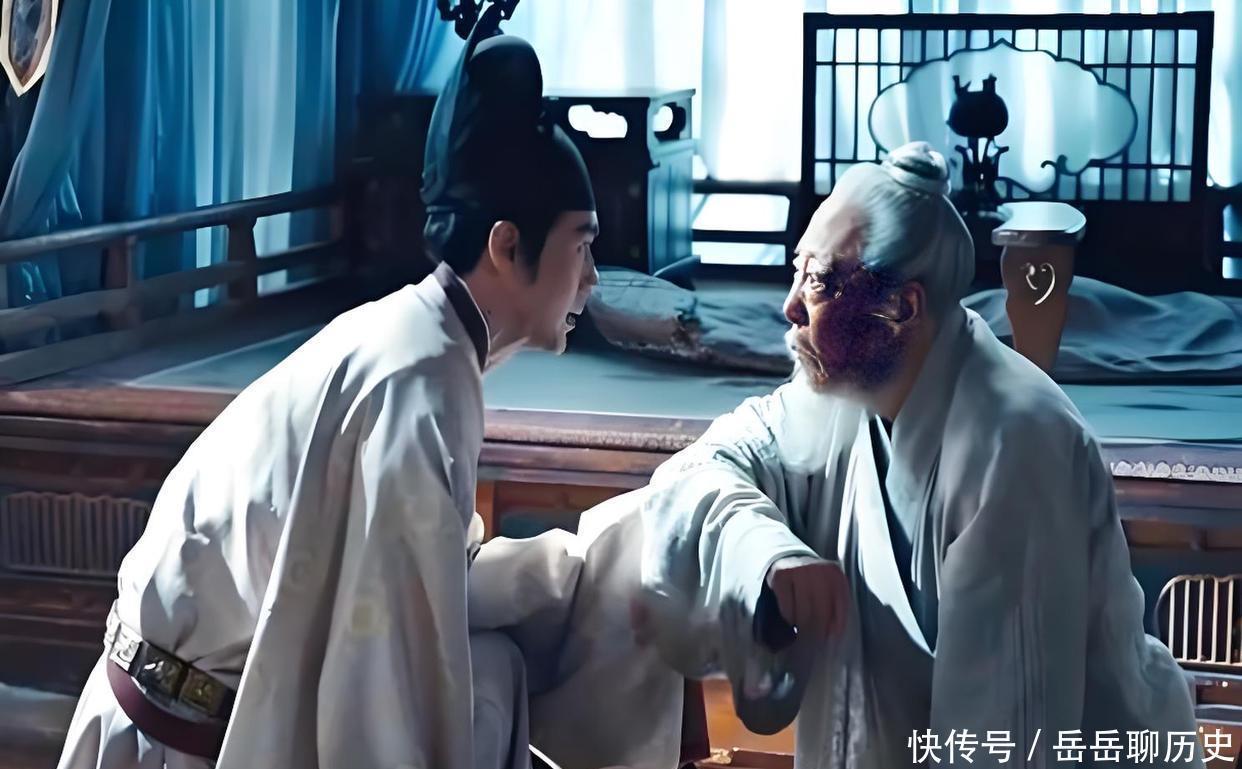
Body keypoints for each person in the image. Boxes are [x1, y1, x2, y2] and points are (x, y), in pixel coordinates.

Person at [54, 7, 599, 769]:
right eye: (582, 246)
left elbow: (418, 583)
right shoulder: (417, 382)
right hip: (174, 736)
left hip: (186, 705)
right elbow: (382, 689)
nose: (593, 279)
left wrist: (565, 569)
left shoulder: (420, 341)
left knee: (498, 664)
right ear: (507, 245)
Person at [634, 142, 1203, 768]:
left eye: (819, 282)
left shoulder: (1015, 444)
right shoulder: (838, 396)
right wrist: (765, 549)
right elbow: (697, 471)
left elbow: (1004, 739)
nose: (789, 308)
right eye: (796, 272)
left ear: (901, 306)